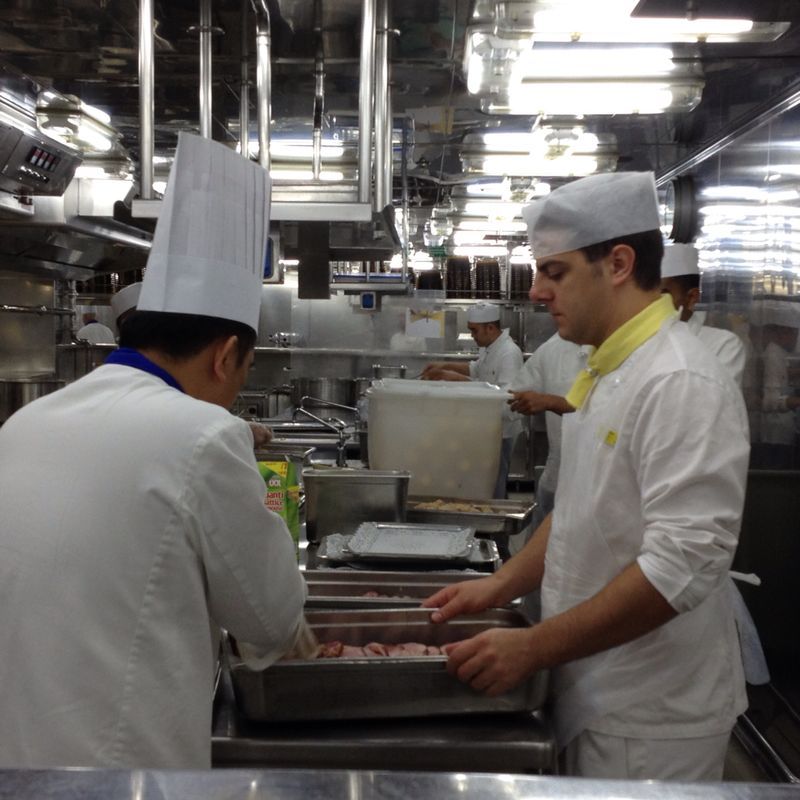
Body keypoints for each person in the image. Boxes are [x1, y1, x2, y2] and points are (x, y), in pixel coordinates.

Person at [423, 171, 750, 782]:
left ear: (619, 263)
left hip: (650, 712)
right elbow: (576, 509)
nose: (538, 291)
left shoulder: (680, 380)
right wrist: (498, 586)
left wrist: (535, 646)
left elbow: (683, 564)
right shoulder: (606, 371)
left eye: (556, 271)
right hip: (594, 680)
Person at [0, 133, 310, 769]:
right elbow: (270, 618)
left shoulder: (27, 423)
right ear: (226, 355)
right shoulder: (205, 434)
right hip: (119, 771)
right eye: (244, 371)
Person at [421, 302, 524, 498]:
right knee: (484, 479)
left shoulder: (509, 353)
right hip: (485, 426)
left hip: (501, 430)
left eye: (474, 331)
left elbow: (507, 400)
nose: (472, 336)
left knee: (494, 482)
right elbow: (476, 369)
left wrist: (457, 380)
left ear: (490, 328)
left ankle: (496, 514)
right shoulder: (489, 347)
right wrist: (444, 366)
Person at [660, 243, 746, 387]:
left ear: (692, 297)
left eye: (663, 295)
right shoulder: (643, 339)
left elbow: (716, 397)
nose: (654, 303)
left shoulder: (723, 344)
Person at [751, 298, 800, 468]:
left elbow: (781, 377)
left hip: (781, 430)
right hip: (776, 432)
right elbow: (771, 401)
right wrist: (796, 401)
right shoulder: (773, 353)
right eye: (794, 334)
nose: (795, 339)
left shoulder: (778, 352)